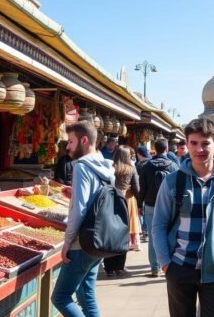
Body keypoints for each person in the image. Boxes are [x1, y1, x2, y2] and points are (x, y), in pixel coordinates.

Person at [151, 118, 214, 317]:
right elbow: (159, 225)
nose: (200, 149)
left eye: (205, 143)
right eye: (194, 143)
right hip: (179, 268)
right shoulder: (173, 182)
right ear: (187, 144)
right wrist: (165, 263)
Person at [52, 121, 115, 317]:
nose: (68, 147)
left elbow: (79, 209)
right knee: (86, 294)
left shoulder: (81, 166)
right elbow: (96, 199)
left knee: (60, 297)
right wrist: (74, 193)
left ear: (84, 140)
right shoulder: (106, 166)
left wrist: (67, 242)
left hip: (81, 243)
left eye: (70, 141)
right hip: (98, 240)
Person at [137, 138, 180, 277]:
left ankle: (154, 267)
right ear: (167, 149)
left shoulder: (146, 166)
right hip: (169, 206)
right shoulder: (173, 166)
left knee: (153, 235)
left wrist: (139, 205)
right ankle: (166, 263)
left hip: (150, 205)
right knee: (169, 234)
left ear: (154, 150)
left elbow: (141, 188)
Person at [103, 145, 141, 276]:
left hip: (110, 201)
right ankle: (119, 267)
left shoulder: (109, 167)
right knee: (123, 234)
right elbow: (137, 188)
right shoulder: (131, 169)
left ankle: (109, 268)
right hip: (127, 201)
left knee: (110, 234)